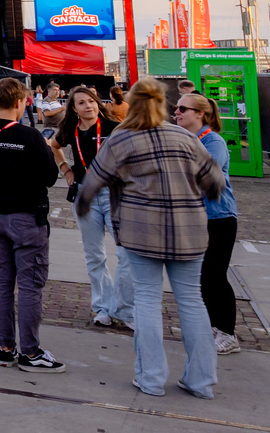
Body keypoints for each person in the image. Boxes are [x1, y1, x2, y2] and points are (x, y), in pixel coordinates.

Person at [76, 80, 225, 399]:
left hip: (141, 230)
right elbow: (215, 181)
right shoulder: (185, 137)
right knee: (192, 300)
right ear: (163, 103)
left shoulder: (121, 138)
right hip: (188, 230)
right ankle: (201, 380)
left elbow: (92, 183)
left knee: (146, 300)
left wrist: (86, 204)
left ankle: (151, 378)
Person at [0, 78, 64, 372]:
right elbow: (50, 177)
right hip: (26, 217)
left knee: (3, 281)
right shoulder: (30, 136)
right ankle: (30, 352)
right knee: (30, 284)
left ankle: (6, 347)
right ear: (21, 102)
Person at [48, 86, 133, 330]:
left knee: (127, 253)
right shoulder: (70, 130)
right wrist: (66, 170)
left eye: (91, 101)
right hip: (85, 195)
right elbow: (54, 146)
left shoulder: (113, 128)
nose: (88, 106)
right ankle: (103, 306)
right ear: (74, 108)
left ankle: (125, 309)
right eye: (82, 103)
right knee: (94, 255)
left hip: (114, 194)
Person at [174, 93, 241, 355]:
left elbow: (200, 175)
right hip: (194, 218)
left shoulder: (213, 141)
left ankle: (228, 333)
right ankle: (213, 325)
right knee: (201, 277)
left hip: (218, 218)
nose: (176, 112)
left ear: (200, 113)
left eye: (183, 108)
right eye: (176, 108)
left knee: (215, 275)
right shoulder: (184, 139)